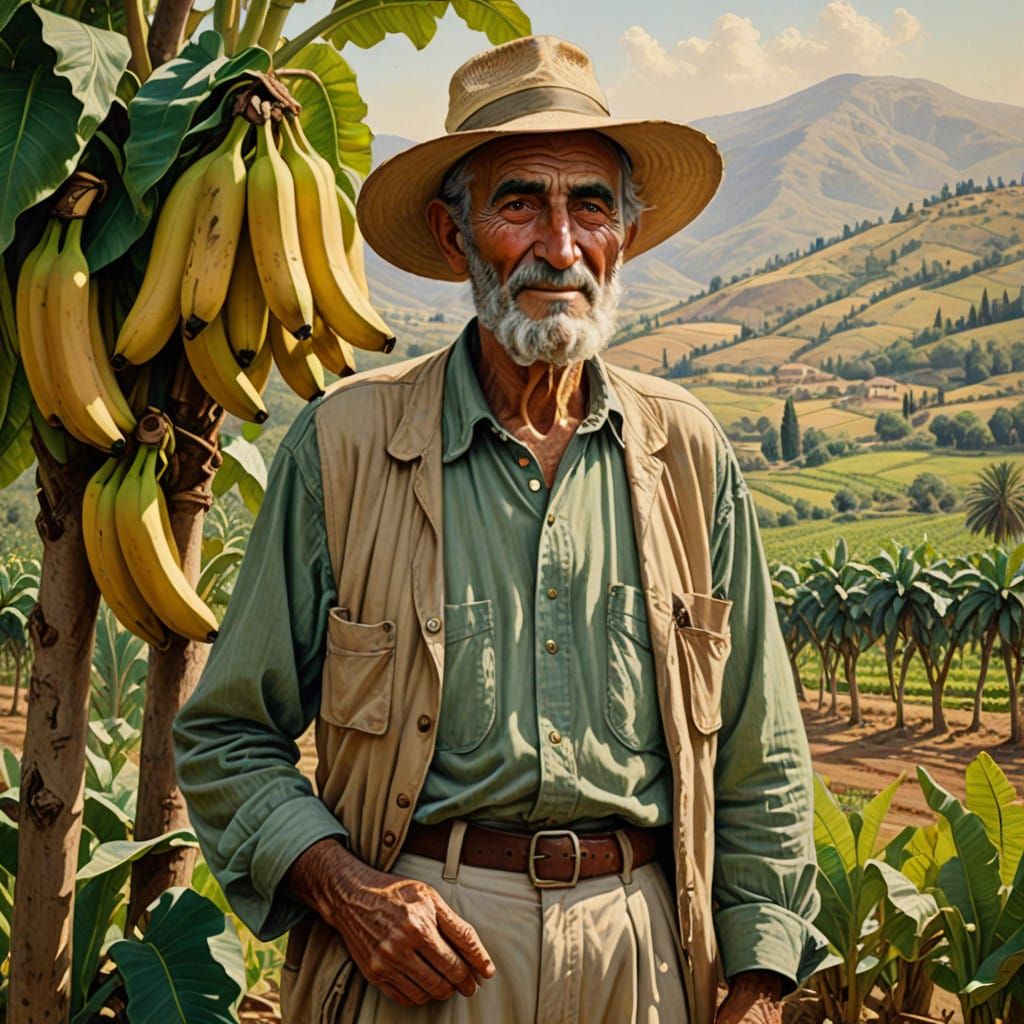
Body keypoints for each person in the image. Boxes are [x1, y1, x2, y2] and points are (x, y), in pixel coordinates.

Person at [174, 34, 824, 1024]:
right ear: (454, 235)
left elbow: (760, 752)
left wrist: (761, 983)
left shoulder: (687, 454)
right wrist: (348, 891)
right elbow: (228, 735)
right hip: (420, 959)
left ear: (625, 237)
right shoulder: (345, 448)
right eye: (520, 202)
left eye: (590, 206)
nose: (559, 246)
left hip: (643, 953)